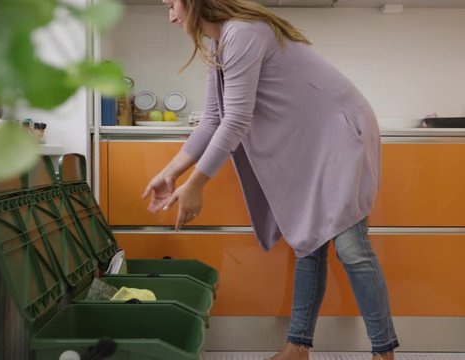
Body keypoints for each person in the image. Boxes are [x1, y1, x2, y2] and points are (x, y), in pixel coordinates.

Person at [141, 0, 399, 358]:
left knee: (351, 248)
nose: (170, 14)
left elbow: (236, 121)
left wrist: (197, 183)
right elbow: (213, 119)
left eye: (171, 4)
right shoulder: (219, 43)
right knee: (309, 241)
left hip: (340, 135)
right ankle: (297, 347)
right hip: (310, 142)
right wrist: (169, 174)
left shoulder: (242, 33)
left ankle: (384, 352)